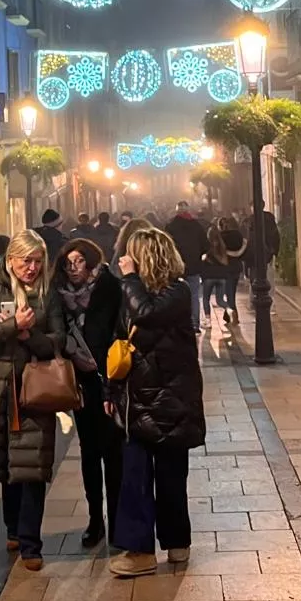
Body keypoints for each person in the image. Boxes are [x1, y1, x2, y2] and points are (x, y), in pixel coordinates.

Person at [108, 228, 206, 578]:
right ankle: (142, 548)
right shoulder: (132, 292)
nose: (124, 260)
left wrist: (130, 279)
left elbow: (147, 313)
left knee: (170, 476)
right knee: (135, 476)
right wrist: (112, 392)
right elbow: (119, 341)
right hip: (138, 398)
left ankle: (170, 544)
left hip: (170, 400)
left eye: (131, 255)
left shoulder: (176, 293)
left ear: (145, 258)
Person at [0, 230, 64, 571]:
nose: (32, 268)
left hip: (36, 391)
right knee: (8, 466)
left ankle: (31, 544)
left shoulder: (47, 293)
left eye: (38, 262)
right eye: (26, 261)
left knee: (33, 468)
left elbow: (58, 341)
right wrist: (11, 327)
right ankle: (13, 528)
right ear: (10, 260)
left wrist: (29, 334)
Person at [49, 238, 123, 547]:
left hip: (110, 381)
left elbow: (119, 331)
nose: (73, 268)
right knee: (89, 453)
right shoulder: (58, 296)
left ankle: (118, 519)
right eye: (67, 263)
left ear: (91, 261)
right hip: (80, 383)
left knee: (114, 453)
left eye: (78, 261)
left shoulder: (109, 288)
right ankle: (96, 519)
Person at [165, 202, 209, 330]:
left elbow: (166, 246)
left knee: (177, 295)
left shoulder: (170, 226)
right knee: (194, 295)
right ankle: (194, 324)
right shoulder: (196, 226)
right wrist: (198, 254)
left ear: (176, 211)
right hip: (194, 266)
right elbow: (206, 245)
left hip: (176, 267)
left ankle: (181, 323)